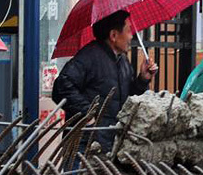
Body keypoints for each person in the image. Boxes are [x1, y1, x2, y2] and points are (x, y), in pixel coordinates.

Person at [52, 10, 158, 152]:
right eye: (128, 31)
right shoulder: (89, 57)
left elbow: (128, 99)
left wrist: (142, 79)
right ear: (114, 35)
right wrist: (87, 114)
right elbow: (61, 87)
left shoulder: (122, 61)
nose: (131, 36)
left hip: (111, 143)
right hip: (84, 145)